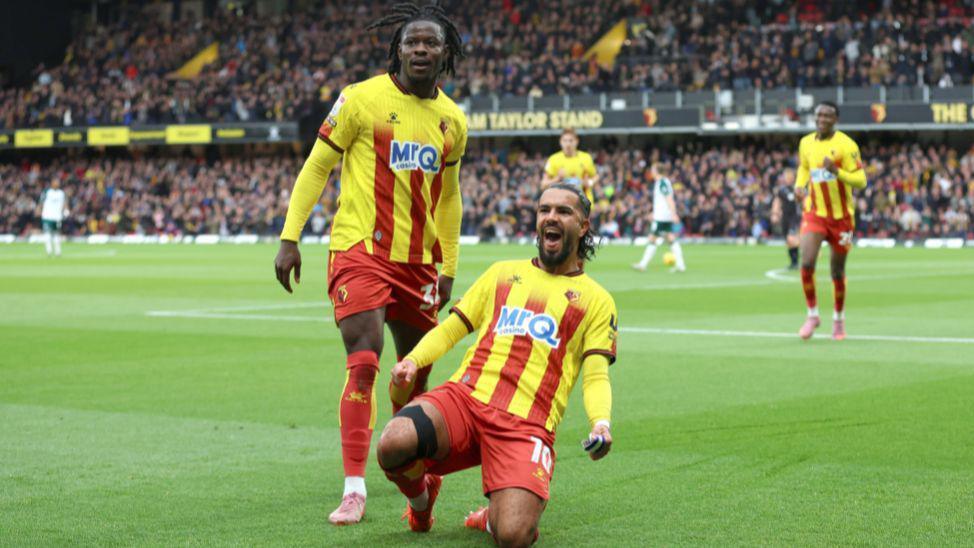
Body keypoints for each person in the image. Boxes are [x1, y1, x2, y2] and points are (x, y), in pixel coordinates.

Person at [273, 2, 468, 525]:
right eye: (412, 43)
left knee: (413, 374)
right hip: (361, 249)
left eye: (431, 43)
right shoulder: (359, 99)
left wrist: (448, 265)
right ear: (397, 50)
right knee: (364, 359)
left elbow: (448, 198)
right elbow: (318, 166)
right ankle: (354, 487)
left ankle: (414, 478)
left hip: (419, 265)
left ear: (445, 51)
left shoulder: (453, 120)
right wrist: (290, 237)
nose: (421, 50)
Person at [375, 184, 617, 544]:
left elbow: (595, 375)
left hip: (526, 426)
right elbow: (451, 330)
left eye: (563, 212)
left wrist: (601, 423)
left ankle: (493, 516)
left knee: (515, 535)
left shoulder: (597, 301)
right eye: (544, 209)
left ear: (583, 226)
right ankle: (422, 503)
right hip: (466, 400)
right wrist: (412, 361)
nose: (551, 217)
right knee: (393, 443)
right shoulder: (502, 273)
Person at [794, 101, 867, 340]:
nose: (823, 119)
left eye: (828, 115)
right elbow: (804, 168)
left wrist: (837, 172)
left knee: (837, 271)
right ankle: (813, 314)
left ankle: (838, 319)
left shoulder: (846, 145)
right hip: (815, 213)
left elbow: (861, 181)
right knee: (806, 263)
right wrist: (799, 186)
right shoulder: (806, 143)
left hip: (842, 218)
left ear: (836, 119)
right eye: (819, 115)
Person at [632, 162, 685, 272]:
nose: (651, 171)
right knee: (670, 238)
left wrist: (674, 213)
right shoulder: (661, 182)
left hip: (662, 217)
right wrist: (654, 213)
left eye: (652, 169)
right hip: (662, 215)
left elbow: (669, 198)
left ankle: (643, 264)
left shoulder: (662, 182)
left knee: (652, 238)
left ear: (656, 171)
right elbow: (661, 201)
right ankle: (680, 265)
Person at [541, 128, 598, 203]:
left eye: (571, 140)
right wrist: (557, 178)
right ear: (560, 142)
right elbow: (543, 185)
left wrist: (590, 183)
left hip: (583, 203)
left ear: (577, 141)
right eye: (565, 140)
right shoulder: (553, 159)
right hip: (561, 203)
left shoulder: (586, 158)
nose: (568, 144)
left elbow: (596, 176)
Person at [771, 168, 801, 269]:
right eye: (786, 176)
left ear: (793, 177)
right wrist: (775, 214)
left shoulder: (797, 188)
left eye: (790, 176)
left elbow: (802, 201)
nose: (788, 178)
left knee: (791, 238)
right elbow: (777, 201)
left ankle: (798, 258)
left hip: (795, 217)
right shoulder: (781, 190)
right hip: (785, 218)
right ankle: (793, 262)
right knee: (788, 241)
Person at [39, 179, 68, 257]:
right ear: (52, 183)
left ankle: (58, 252)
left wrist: (66, 211)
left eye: (58, 182)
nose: (57, 184)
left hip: (57, 217)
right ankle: (49, 251)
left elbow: (65, 203)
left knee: (56, 234)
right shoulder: (46, 192)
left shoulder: (61, 193)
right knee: (47, 233)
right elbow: (41, 202)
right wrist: (39, 211)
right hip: (47, 216)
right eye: (56, 182)